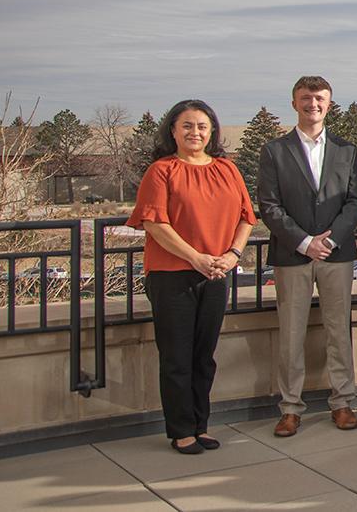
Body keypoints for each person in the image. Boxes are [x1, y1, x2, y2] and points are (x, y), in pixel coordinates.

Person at [128, 100, 255, 454]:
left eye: (201, 126)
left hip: (216, 273)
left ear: (212, 130)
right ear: (173, 131)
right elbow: (154, 223)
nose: (194, 132)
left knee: (204, 355)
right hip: (172, 275)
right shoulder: (162, 170)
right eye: (186, 126)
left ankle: (201, 424)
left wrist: (231, 255)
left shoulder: (227, 169)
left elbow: (247, 217)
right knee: (176, 356)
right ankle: (181, 429)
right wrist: (196, 258)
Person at [258, 76, 357, 437]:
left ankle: (342, 402)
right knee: (291, 334)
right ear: (294, 103)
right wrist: (305, 242)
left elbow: (356, 202)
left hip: (336, 255)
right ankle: (290, 408)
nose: (313, 105)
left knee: (340, 330)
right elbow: (269, 206)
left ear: (329, 104)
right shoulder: (274, 150)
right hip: (293, 255)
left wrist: (332, 239)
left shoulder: (347, 149)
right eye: (306, 99)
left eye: (320, 99)